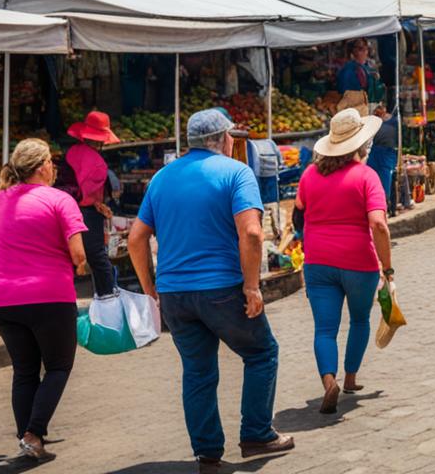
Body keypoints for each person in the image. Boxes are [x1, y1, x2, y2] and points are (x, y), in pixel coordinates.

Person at [128, 109, 293, 474]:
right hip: (221, 288)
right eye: (231, 136)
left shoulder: (161, 178)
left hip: (174, 294)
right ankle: (256, 433)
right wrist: (251, 286)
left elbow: (136, 238)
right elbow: (250, 233)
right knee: (262, 353)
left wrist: (151, 289)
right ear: (222, 139)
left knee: (198, 371)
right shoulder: (236, 173)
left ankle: (207, 454)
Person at [0, 139, 87, 464]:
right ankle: (34, 433)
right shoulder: (60, 200)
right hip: (49, 295)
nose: (54, 166)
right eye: (51, 161)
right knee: (59, 366)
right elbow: (78, 254)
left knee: (24, 370)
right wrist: (71, 262)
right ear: (40, 168)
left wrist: (10, 256)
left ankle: (28, 440)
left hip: (1, 300)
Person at [294, 109, 393, 414]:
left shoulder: (309, 175)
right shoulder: (367, 176)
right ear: (361, 145)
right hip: (358, 263)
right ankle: (350, 378)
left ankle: (328, 382)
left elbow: (298, 215)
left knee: (324, 328)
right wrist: (387, 268)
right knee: (360, 320)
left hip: (318, 262)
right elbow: (378, 225)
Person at [63, 110, 119, 298]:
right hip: (86, 212)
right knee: (97, 256)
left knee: (66, 255)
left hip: (64, 209)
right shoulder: (98, 163)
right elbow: (90, 196)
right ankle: (107, 295)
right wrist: (99, 204)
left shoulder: (72, 152)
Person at [367, 105, 399, 214]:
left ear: (384, 110)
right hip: (375, 153)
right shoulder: (372, 122)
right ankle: (379, 205)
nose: (377, 111)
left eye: (379, 109)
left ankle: (388, 206)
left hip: (387, 154)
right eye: (376, 110)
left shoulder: (393, 121)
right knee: (374, 180)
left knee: (387, 181)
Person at [336, 39, 378, 108]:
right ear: (353, 51)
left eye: (366, 48)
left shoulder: (367, 67)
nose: (365, 51)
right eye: (361, 49)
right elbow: (345, 92)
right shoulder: (347, 70)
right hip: (352, 106)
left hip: (368, 104)